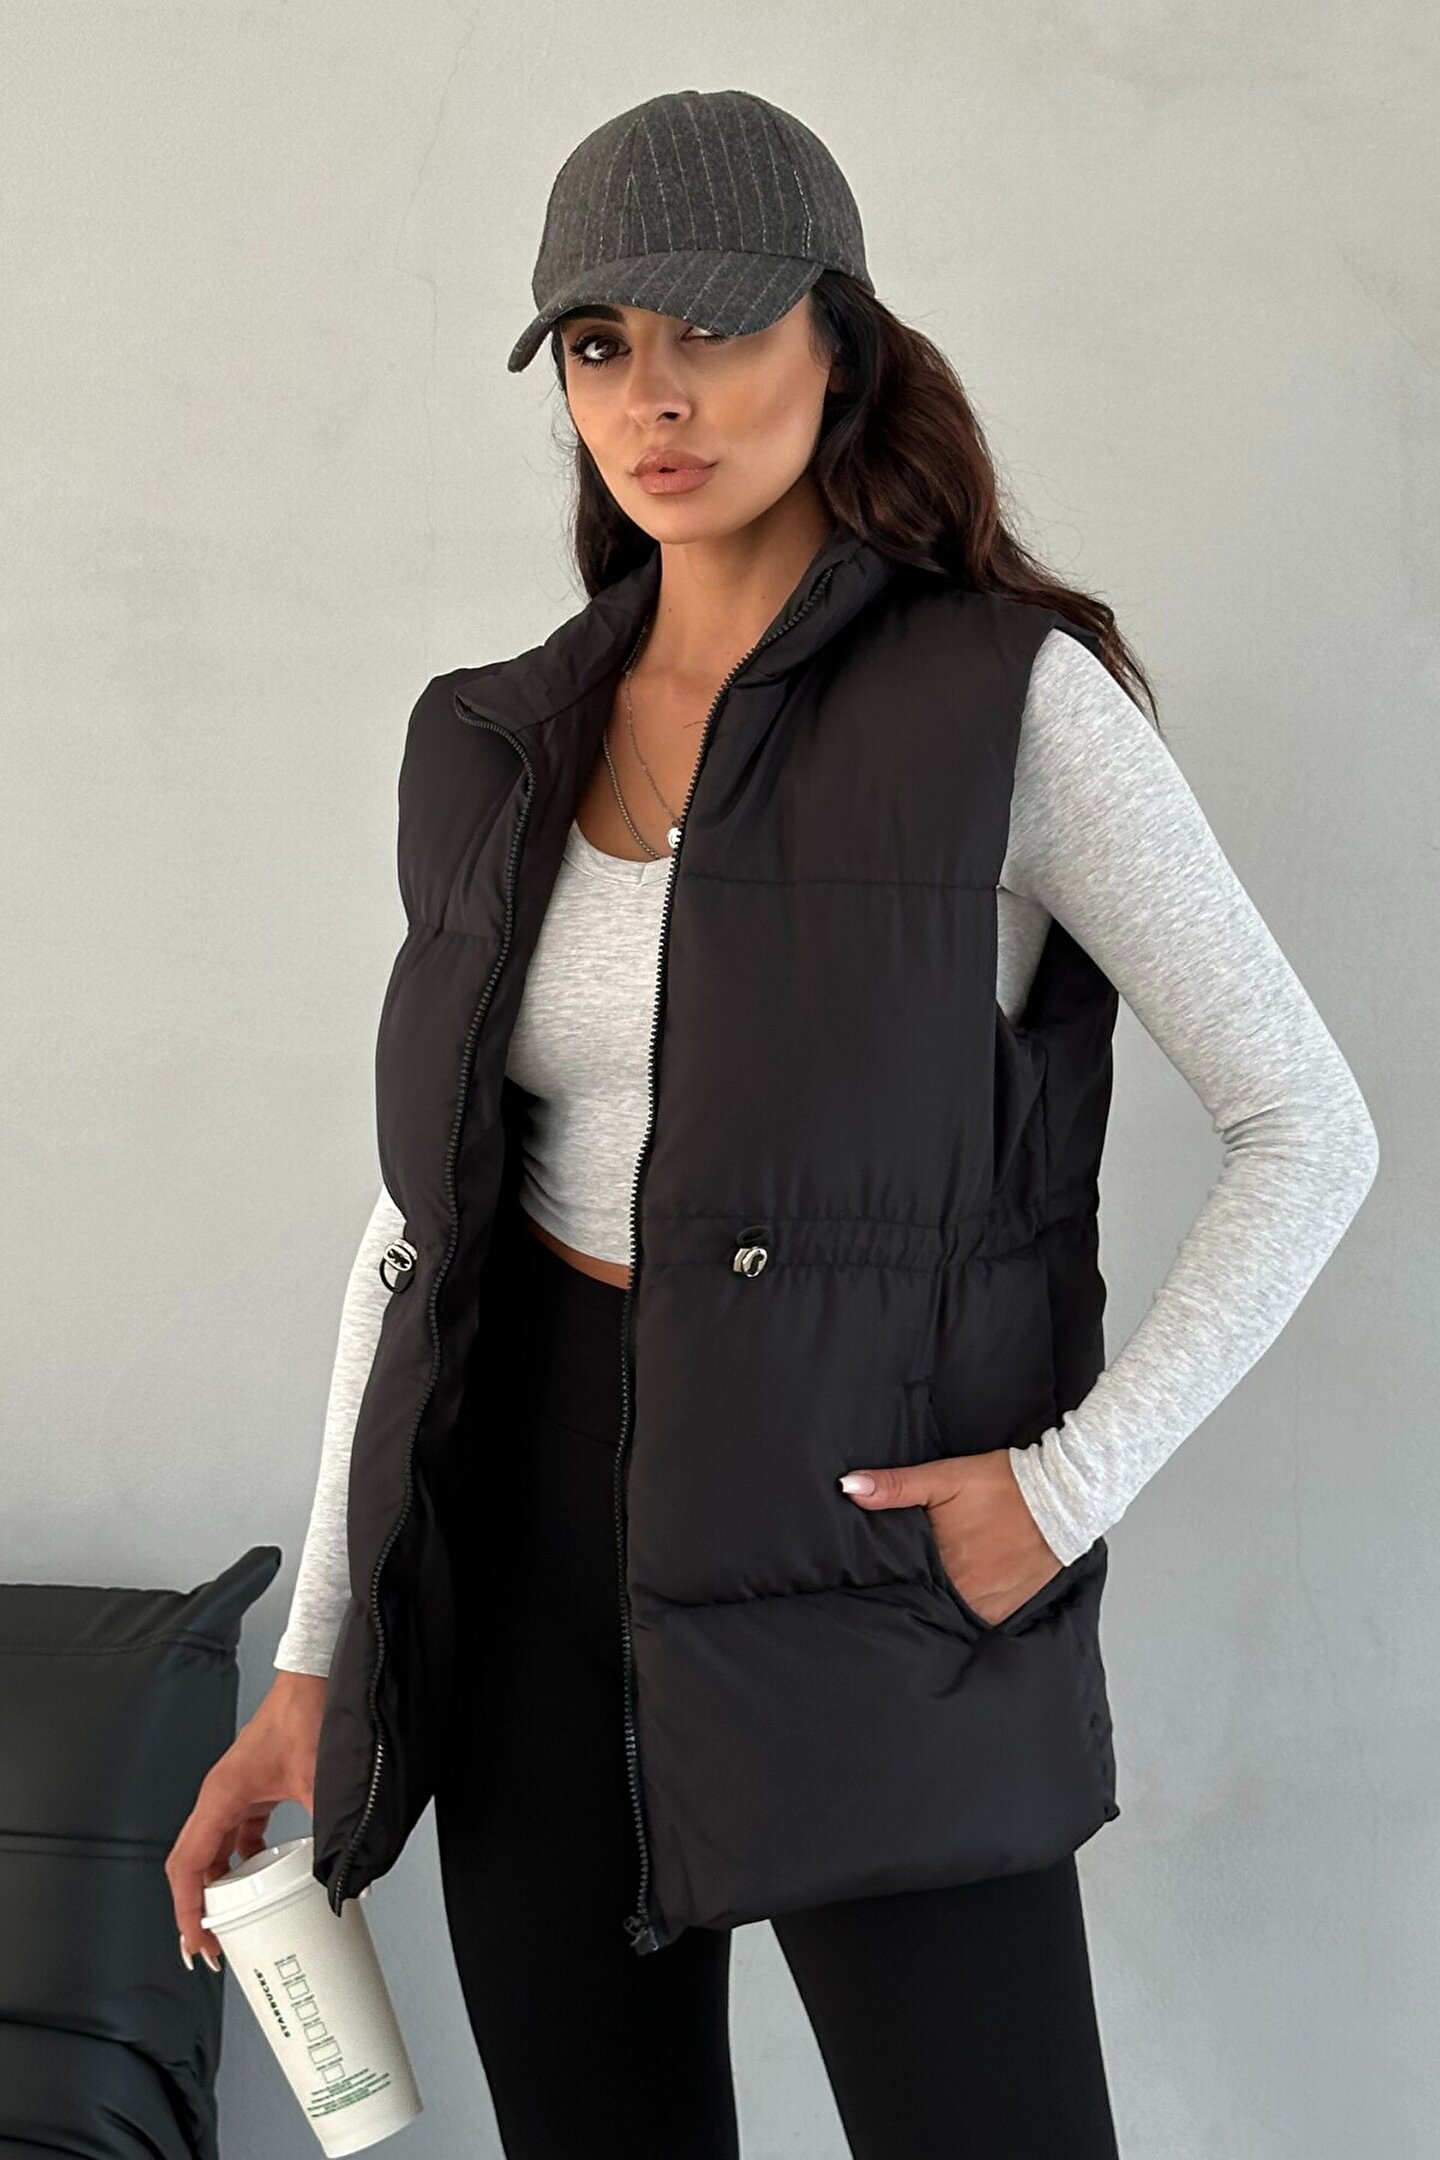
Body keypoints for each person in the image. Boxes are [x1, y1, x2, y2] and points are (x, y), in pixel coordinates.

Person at [167, 88, 1379, 2159]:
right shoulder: (493, 744)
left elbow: (1307, 1124)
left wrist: (1067, 1488)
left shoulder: (1005, 704)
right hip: (529, 1562)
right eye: (599, 345)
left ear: (841, 342)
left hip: (865, 1565)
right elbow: (424, 1229)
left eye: (714, 330)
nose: (655, 396)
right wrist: (319, 1661)